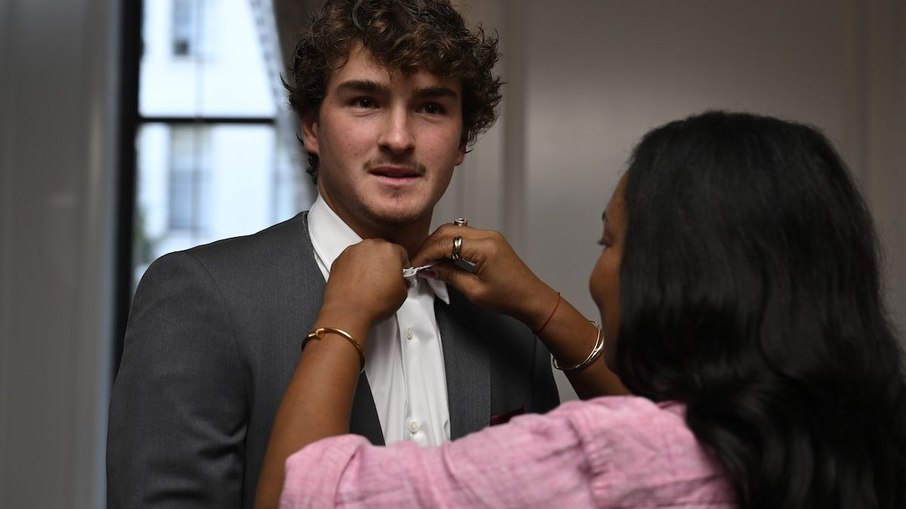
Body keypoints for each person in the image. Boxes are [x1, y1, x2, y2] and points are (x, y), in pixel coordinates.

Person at [257, 110, 906, 509]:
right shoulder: (861, 443)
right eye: (366, 102)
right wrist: (542, 306)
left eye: (611, 243)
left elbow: (299, 495)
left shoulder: (614, 454)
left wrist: (342, 311)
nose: (398, 137)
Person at [106, 1, 573, 507]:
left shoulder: (507, 320)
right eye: (365, 102)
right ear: (311, 128)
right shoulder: (198, 295)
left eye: (431, 107)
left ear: (462, 138)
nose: (398, 138)